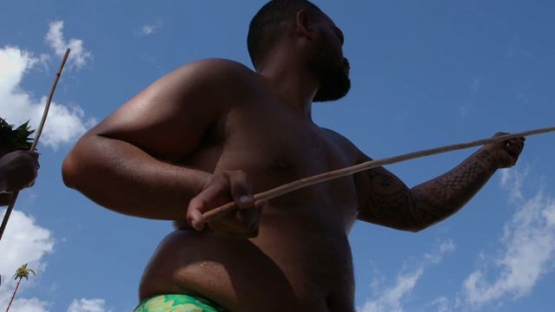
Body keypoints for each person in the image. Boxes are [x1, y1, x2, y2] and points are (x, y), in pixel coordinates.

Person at [62, 1, 525, 311]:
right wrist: (201, 188)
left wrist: (487, 158)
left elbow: (413, 210)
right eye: (339, 36)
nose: (347, 55)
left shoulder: (341, 150)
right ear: (304, 24)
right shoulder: (229, 85)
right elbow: (88, 159)